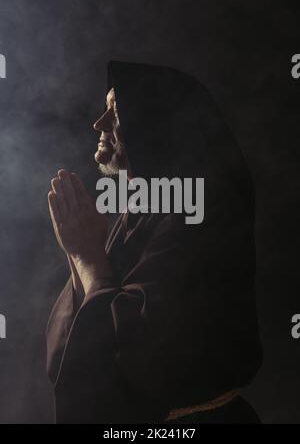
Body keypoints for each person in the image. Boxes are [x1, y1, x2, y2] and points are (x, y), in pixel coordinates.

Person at [46, 61, 262, 424]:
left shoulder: (200, 211)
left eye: (114, 111)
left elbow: (148, 352)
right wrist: (77, 251)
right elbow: (70, 358)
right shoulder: (145, 209)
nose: (99, 124)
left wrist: (87, 256)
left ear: (155, 123)